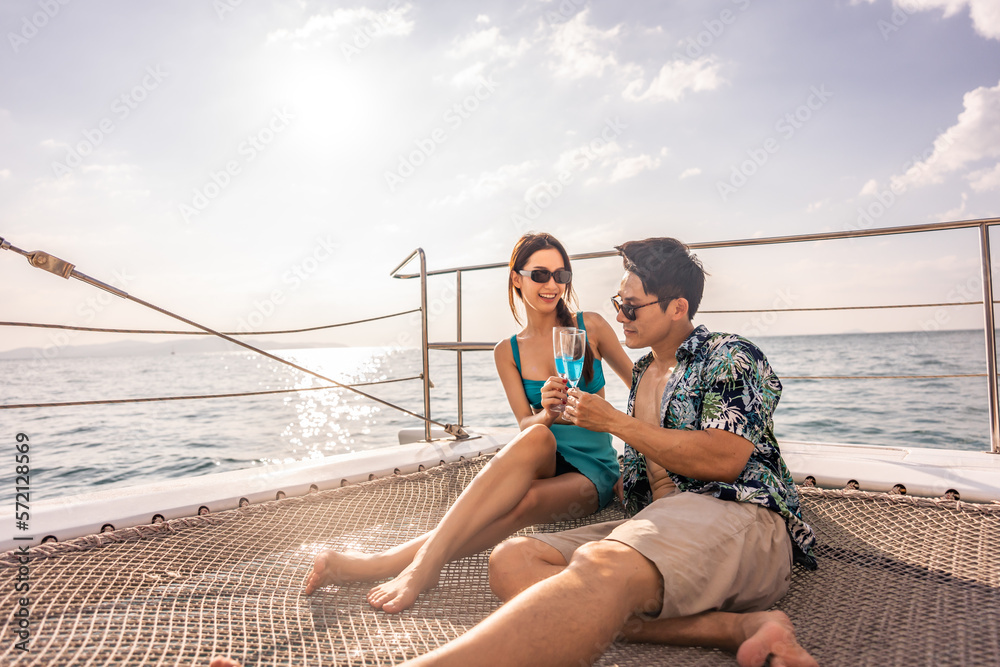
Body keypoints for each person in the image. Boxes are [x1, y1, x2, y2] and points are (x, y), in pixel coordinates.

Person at [398, 237, 819, 667]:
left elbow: (723, 461)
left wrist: (614, 422)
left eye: (632, 306)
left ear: (677, 307)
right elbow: (651, 461)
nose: (619, 314)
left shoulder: (729, 355)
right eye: (619, 301)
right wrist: (625, 475)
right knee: (513, 560)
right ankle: (732, 628)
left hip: (740, 516)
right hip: (661, 522)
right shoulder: (643, 373)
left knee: (601, 564)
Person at [300, 232, 634, 614]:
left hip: (592, 471)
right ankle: (415, 565)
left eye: (562, 275)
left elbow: (639, 389)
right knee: (539, 435)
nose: (553, 285)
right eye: (540, 274)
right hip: (544, 457)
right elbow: (527, 424)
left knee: (519, 505)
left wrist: (639, 463)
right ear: (517, 278)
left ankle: (395, 565)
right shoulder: (506, 351)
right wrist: (547, 413)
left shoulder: (589, 325)